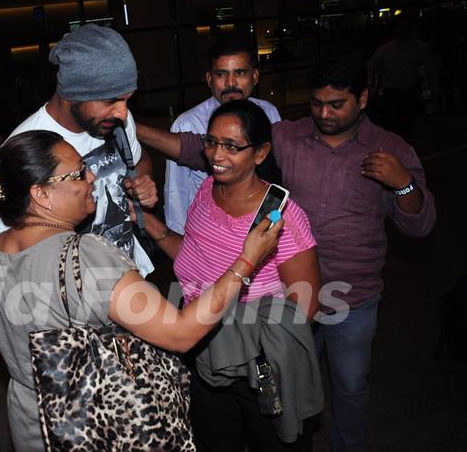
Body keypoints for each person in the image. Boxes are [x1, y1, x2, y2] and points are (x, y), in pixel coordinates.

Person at [137, 51, 437, 452]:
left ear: (363, 99)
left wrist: (402, 185)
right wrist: (129, 125)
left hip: (351, 295)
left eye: (337, 104)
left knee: (347, 388)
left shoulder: (390, 148)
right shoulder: (288, 136)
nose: (325, 114)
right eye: (317, 103)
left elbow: (419, 225)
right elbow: (203, 149)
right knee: (284, 395)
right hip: (279, 297)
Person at [0, 128, 284, 452]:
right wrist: (246, 261)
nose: (92, 178)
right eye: (78, 174)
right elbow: (180, 333)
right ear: (41, 194)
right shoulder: (86, 255)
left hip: (31, 423)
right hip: (98, 424)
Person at [142, 100, 321, 451]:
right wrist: (154, 228)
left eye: (231, 146)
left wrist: (258, 348)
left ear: (260, 153)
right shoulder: (207, 192)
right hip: (202, 351)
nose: (216, 155)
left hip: (255, 368)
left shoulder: (281, 218)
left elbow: (306, 308)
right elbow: (192, 261)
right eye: (211, 142)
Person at [0, 24, 158, 276]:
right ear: (73, 94)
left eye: (127, 99)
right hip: (72, 301)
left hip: (130, 275)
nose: (123, 113)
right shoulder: (23, 147)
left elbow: (139, 162)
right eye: (110, 101)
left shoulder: (116, 122)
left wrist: (141, 184)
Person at [165, 35, 281, 235]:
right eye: (221, 74)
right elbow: (176, 193)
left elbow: (275, 175)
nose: (231, 83)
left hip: (259, 228)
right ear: (209, 78)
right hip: (208, 233)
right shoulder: (187, 124)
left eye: (240, 73)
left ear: (255, 76)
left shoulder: (269, 113)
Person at [368, 16, 439, 139]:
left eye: (406, 28)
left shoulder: (420, 47)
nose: (403, 31)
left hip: (409, 90)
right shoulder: (386, 49)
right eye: (401, 28)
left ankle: (404, 142)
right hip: (392, 92)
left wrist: (434, 88)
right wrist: (371, 86)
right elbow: (371, 67)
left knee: (406, 122)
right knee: (394, 123)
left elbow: (431, 70)